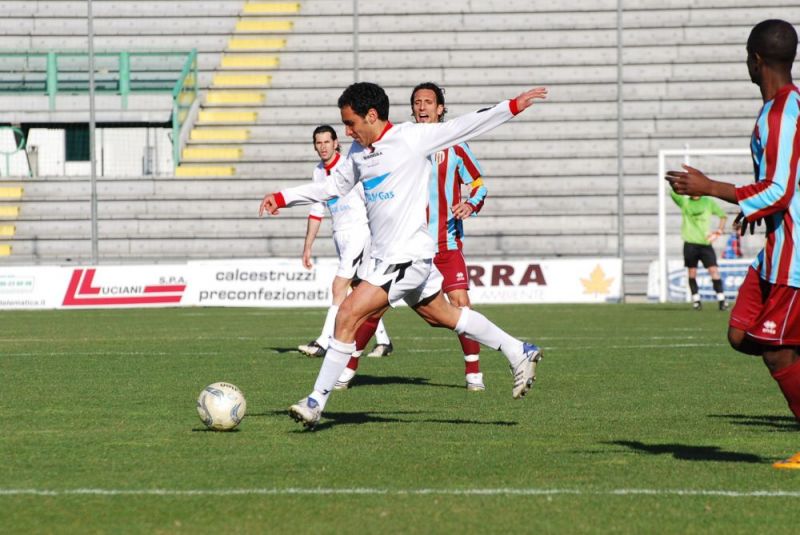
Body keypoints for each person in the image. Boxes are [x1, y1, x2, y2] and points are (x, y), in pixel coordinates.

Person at [260, 81, 548, 429]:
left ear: (371, 115)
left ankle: (315, 401)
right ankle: (519, 350)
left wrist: (512, 106)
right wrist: (283, 197)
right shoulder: (358, 152)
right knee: (444, 316)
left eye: (351, 123)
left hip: (406, 257)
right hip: (392, 258)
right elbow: (333, 186)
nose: (347, 131)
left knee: (348, 313)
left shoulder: (411, 138)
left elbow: (466, 125)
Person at [666, 19, 800, 469]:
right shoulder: (780, 108)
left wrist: (710, 187)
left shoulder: (782, 113)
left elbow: (779, 188)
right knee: (742, 334)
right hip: (776, 247)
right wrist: (754, 208)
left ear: (756, 60)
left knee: (777, 349)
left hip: (794, 253)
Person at [335, 82, 490, 391]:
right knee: (374, 308)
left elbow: (478, 185)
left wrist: (470, 204)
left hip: (444, 242)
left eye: (428, 102)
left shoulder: (455, 146)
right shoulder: (401, 143)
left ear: (440, 108)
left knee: (460, 303)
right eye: (417, 102)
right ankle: (347, 369)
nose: (422, 107)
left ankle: (474, 373)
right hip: (405, 245)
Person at [296, 125, 393, 358]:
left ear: (336, 143)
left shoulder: (350, 165)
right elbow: (317, 210)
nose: (323, 147)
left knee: (338, 286)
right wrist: (308, 246)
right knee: (359, 289)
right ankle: (384, 341)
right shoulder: (318, 172)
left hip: (358, 231)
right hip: (340, 234)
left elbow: (370, 196)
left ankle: (323, 342)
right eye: (318, 143)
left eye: (327, 142)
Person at [668, 187, 729, 310]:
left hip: (705, 244)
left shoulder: (708, 202)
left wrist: (719, 231)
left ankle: (721, 300)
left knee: (713, 270)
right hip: (690, 243)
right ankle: (696, 300)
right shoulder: (685, 202)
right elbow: (672, 192)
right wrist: (679, 184)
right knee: (692, 272)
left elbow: (723, 216)